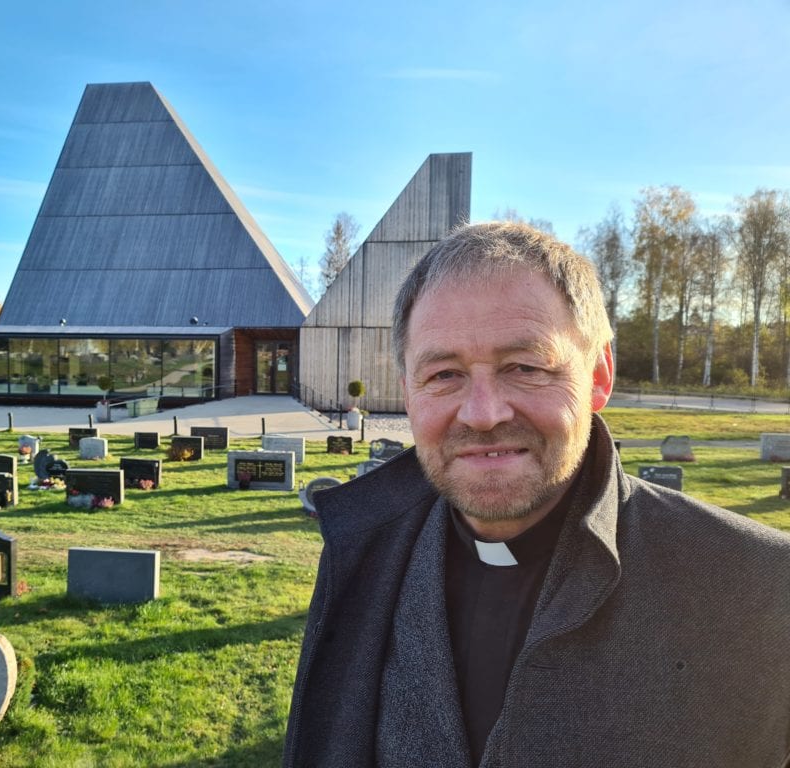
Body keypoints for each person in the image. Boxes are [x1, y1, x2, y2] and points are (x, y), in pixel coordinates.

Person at [283, 221, 790, 768]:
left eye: (525, 367)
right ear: (408, 391)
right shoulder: (359, 548)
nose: (482, 414)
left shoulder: (764, 591)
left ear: (598, 375)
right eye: (444, 374)